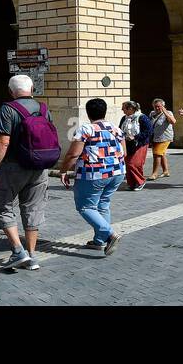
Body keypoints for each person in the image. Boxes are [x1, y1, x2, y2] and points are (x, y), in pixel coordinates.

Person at [0, 74, 58, 272]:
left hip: (13, 167)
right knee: (33, 208)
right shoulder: (43, 108)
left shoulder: (8, 108)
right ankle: (32, 256)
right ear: (32, 89)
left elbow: (3, 141)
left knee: (1, 205)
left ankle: (18, 251)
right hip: (40, 167)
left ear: (10, 91)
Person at [58, 98, 125, 254]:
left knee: (85, 207)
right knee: (103, 204)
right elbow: (124, 152)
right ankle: (99, 241)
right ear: (105, 111)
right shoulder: (116, 128)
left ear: (88, 113)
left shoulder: (86, 129)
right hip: (117, 172)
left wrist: (63, 171)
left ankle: (110, 234)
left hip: (93, 174)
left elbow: (73, 154)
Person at [118, 101, 153, 190]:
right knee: (127, 164)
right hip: (127, 144)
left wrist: (135, 137)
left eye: (124, 108)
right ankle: (131, 183)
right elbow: (120, 129)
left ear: (131, 109)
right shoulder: (124, 118)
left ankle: (140, 181)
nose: (122, 110)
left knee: (134, 164)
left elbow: (149, 131)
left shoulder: (142, 118)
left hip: (139, 144)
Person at [147, 98, 175, 180]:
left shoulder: (168, 113)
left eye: (159, 106)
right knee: (161, 153)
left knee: (157, 154)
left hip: (165, 137)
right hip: (155, 137)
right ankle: (166, 171)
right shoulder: (152, 113)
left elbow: (173, 121)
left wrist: (165, 111)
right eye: (155, 106)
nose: (157, 108)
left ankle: (154, 174)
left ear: (163, 106)